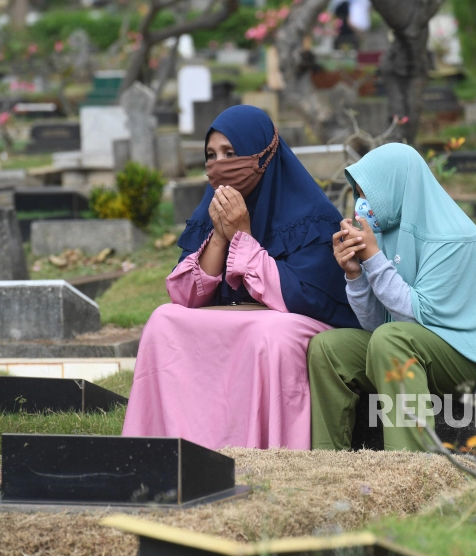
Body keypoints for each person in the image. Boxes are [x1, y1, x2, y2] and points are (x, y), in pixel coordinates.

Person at [122, 106, 359, 450]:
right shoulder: (210, 210)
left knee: (271, 333)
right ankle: (166, 447)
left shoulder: (313, 216)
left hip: (294, 323)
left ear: (264, 155)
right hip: (237, 320)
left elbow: (306, 299)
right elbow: (186, 299)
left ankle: (264, 451)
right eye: (211, 156)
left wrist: (244, 238)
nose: (220, 165)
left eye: (231, 154)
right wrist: (220, 235)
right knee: (163, 319)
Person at [307, 143, 476, 451]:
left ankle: (409, 465)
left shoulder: (451, 239)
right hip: (423, 346)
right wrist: (355, 275)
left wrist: (372, 259)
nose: (361, 205)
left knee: (392, 339)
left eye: (369, 194)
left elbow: (412, 318)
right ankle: (327, 467)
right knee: (328, 348)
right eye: (358, 194)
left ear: (397, 188)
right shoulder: (385, 234)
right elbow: (376, 324)